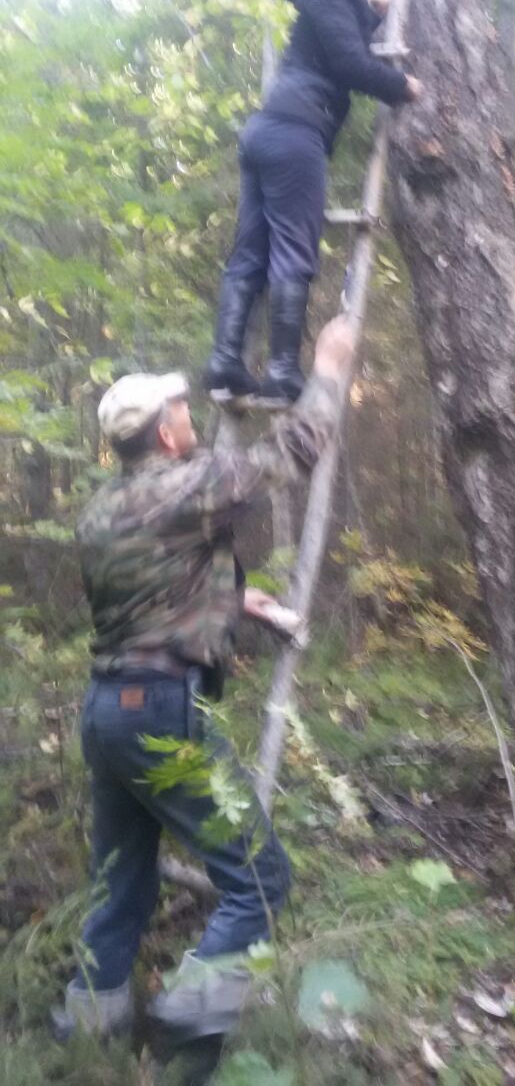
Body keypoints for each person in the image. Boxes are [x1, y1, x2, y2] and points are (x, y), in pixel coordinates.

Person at [55, 315, 354, 1048]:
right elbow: (296, 447)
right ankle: (186, 1027)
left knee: (121, 882)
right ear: (164, 435)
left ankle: (87, 1033)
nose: (189, 412)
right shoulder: (190, 485)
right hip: (159, 712)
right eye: (179, 407)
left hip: (105, 713)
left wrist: (232, 598)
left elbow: (145, 599)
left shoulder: (99, 512)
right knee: (258, 879)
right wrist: (330, 366)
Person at [204, 0, 422, 407]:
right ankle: (282, 371)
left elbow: (335, 42)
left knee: (251, 252)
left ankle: (225, 362)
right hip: (297, 134)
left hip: (266, 131)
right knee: (293, 252)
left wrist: (371, 13)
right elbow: (350, 63)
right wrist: (401, 85)